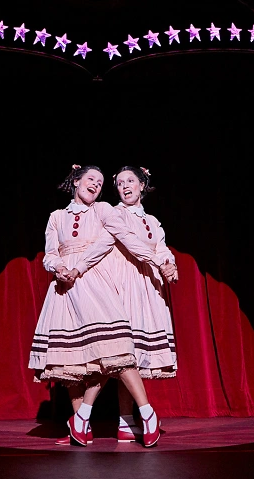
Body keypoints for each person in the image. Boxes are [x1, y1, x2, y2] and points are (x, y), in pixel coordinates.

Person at [28, 164, 172, 448]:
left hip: (95, 280)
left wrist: (159, 261)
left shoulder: (104, 210)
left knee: (115, 348)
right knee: (71, 358)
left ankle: (145, 413)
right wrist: (58, 267)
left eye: (101, 182)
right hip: (64, 286)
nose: (96, 184)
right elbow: (50, 254)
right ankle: (81, 424)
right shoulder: (56, 217)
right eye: (91, 179)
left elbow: (122, 240)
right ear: (76, 181)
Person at [71, 165, 179, 443]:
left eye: (130, 181)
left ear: (142, 185)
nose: (125, 186)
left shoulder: (152, 221)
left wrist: (169, 264)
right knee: (116, 355)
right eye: (119, 183)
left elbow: (161, 247)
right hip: (123, 286)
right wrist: (78, 268)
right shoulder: (114, 214)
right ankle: (84, 415)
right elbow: (111, 246)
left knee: (132, 361)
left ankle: (126, 421)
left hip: (147, 289)